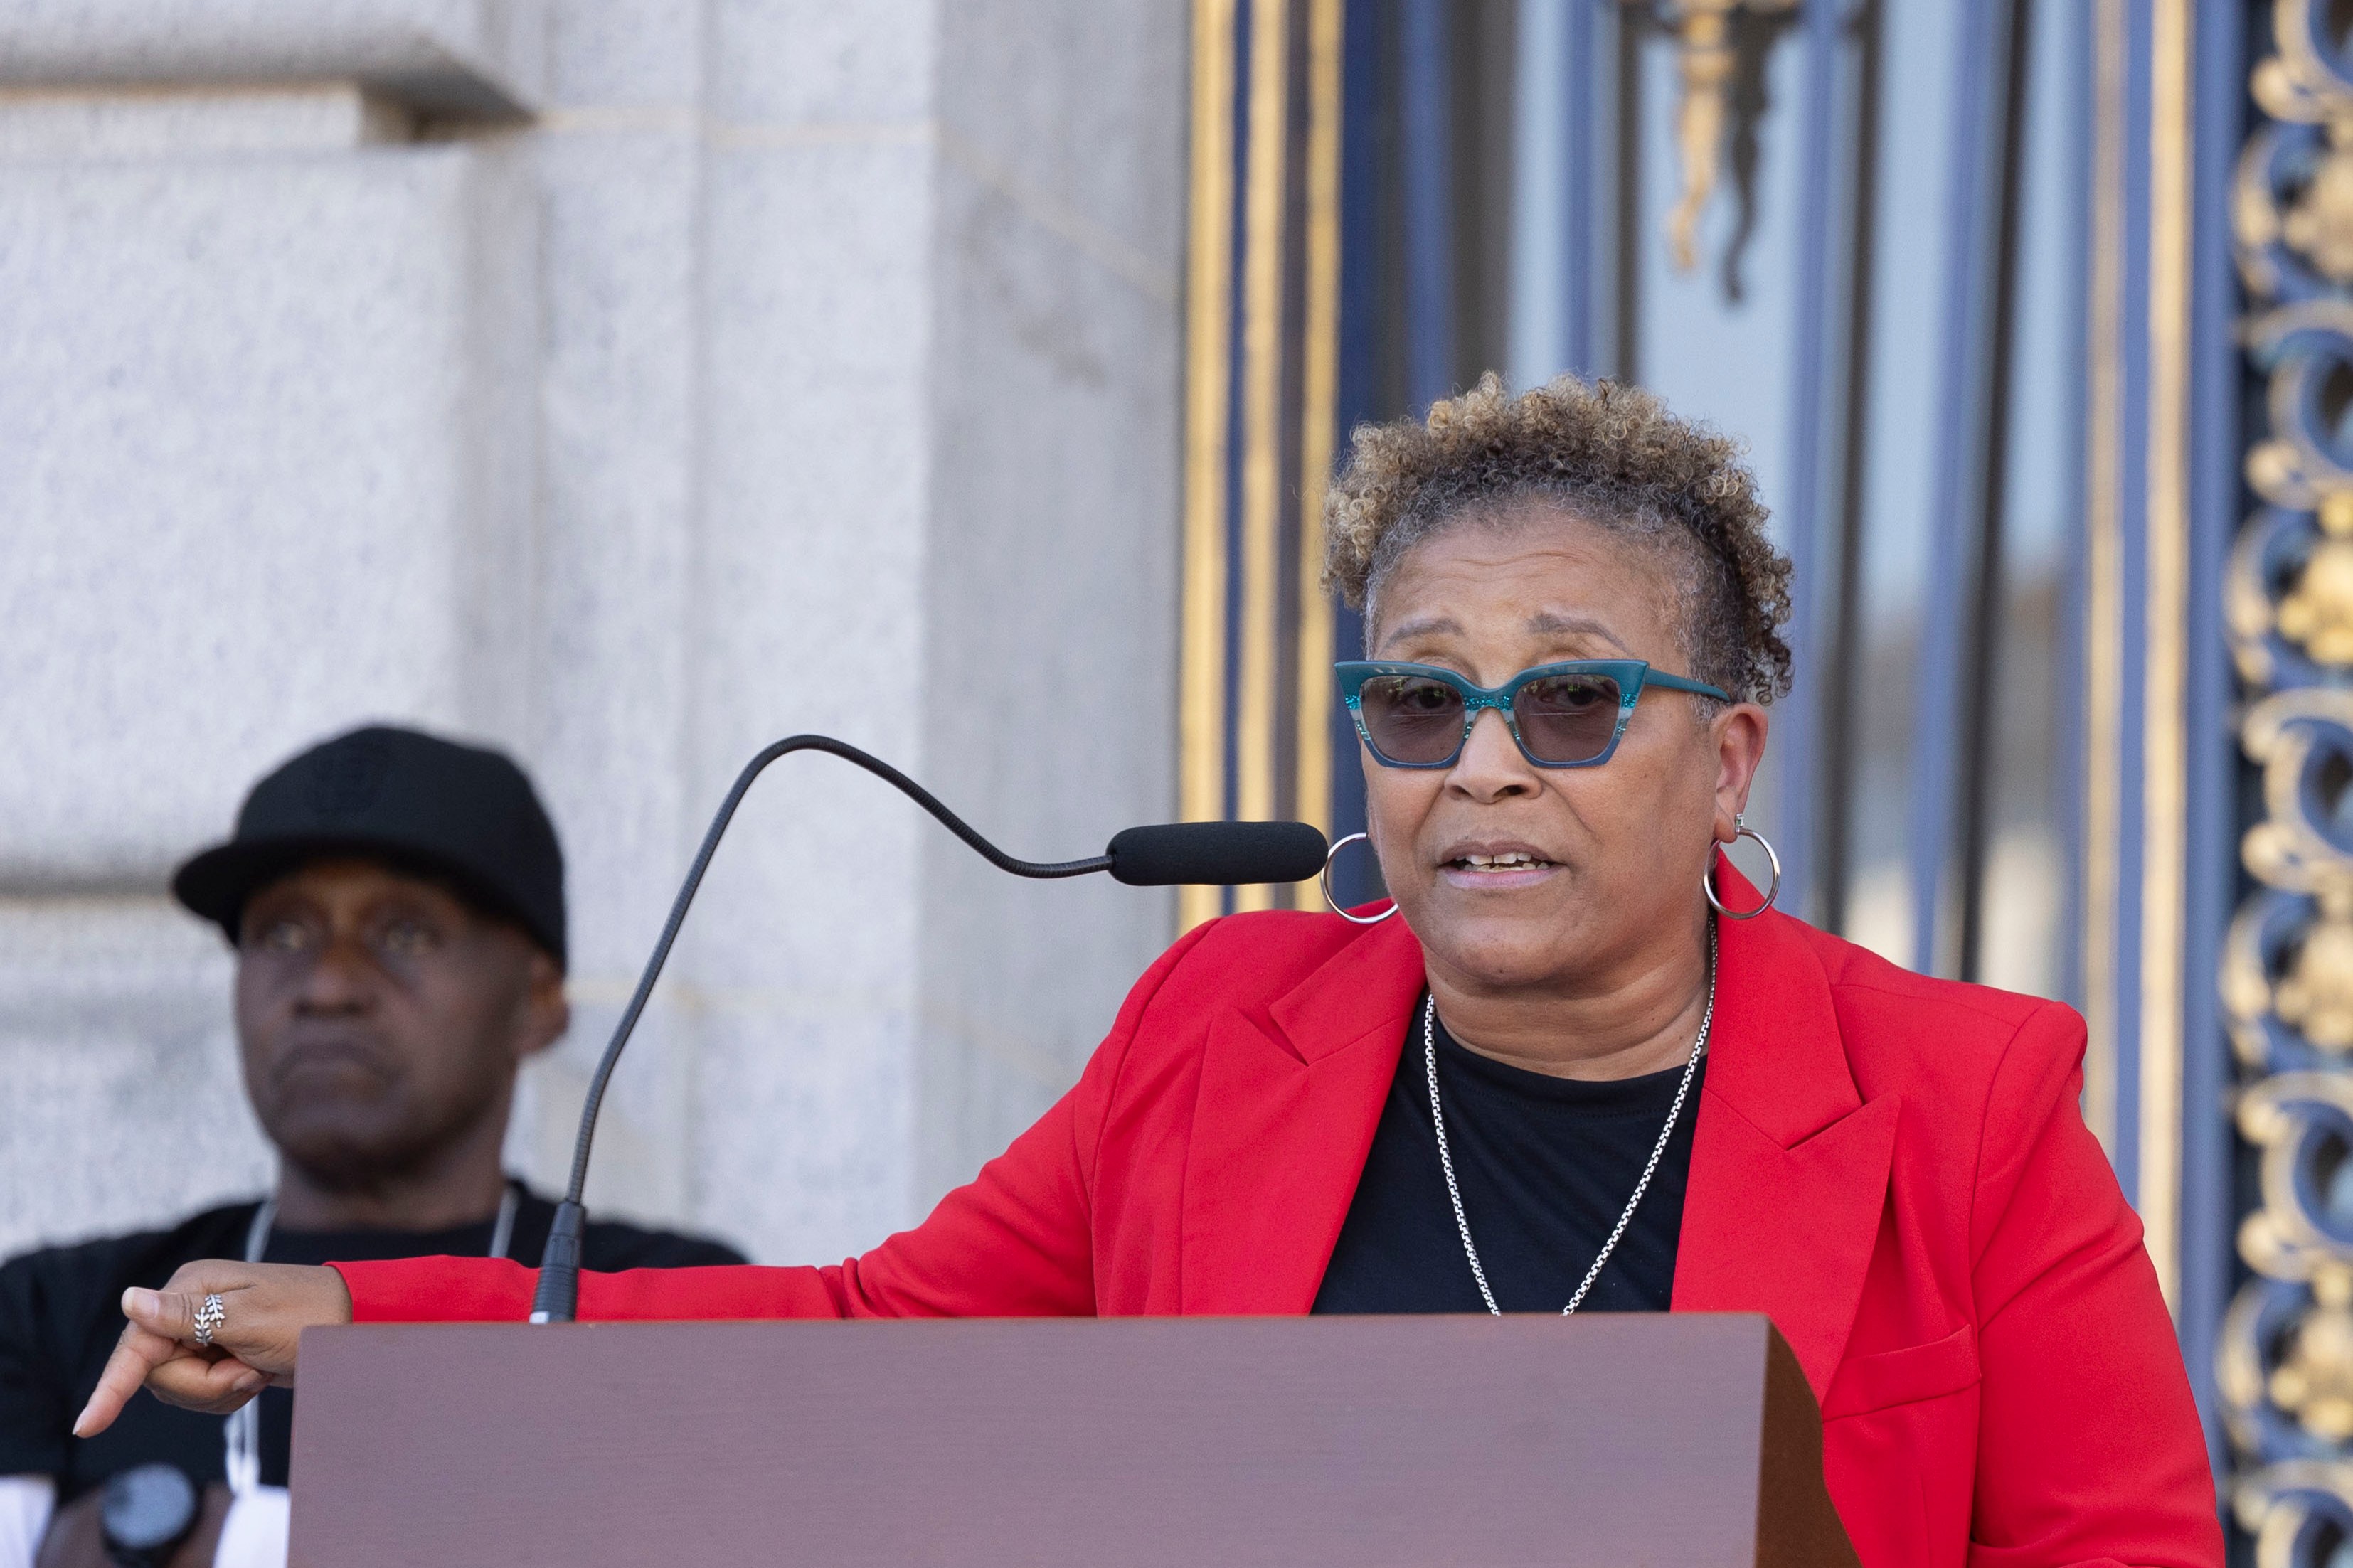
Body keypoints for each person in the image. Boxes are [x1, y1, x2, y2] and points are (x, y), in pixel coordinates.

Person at [76, 382, 2221, 1566]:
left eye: (1571, 707)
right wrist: (380, 1319)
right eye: (1414, 705)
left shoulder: (1961, 1102)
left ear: (1722, 753)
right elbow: (862, 1338)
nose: (1479, 769)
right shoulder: (1223, 1033)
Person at [3, 725, 743, 1568]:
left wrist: (217, 1546)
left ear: (536, 1000)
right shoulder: (52, 1311)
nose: (325, 985)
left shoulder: (671, 1298)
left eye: (405, 936)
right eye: (282, 935)